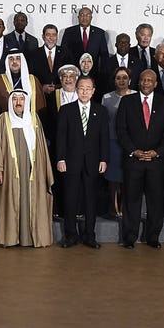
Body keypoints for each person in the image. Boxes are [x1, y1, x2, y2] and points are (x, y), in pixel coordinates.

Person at [0, 90, 53, 247]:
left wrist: (43, 170)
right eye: (15, 99)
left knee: (31, 199)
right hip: (11, 171)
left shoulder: (34, 118)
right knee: (11, 200)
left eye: (22, 99)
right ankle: (10, 238)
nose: (18, 102)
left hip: (32, 170)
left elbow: (42, 147)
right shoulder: (4, 119)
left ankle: (31, 238)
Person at [116, 69, 164, 248]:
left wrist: (158, 151)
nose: (146, 83)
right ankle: (129, 237)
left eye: (150, 80)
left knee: (155, 201)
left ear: (156, 84)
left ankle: (153, 237)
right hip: (133, 160)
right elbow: (121, 130)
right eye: (143, 80)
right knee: (131, 200)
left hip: (156, 161)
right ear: (138, 82)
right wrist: (134, 151)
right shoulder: (127, 101)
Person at [54, 75, 107, 248]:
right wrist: (60, 158)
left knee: (91, 200)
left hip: (92, 163)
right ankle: (70, 235)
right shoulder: (66, 110)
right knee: (70, 198)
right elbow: (60, 137)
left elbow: (103, 138)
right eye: (81, 88)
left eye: (87, 88)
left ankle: (90, 235)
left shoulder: (100, 111)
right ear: (76, 90)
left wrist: (104, 159)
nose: (84, 92)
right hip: (71, 162)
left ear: (93, 91)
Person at [101, 67, 133, 218]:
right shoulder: (106, 98)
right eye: (118, 77)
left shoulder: (135, 95)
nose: (122, 80)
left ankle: (126, 208)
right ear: (114, 80)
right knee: (113, 178)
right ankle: (113, 209)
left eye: (125, 77)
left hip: (130, 143)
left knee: (128, 177)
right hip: (112, 141)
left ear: (130, 80)